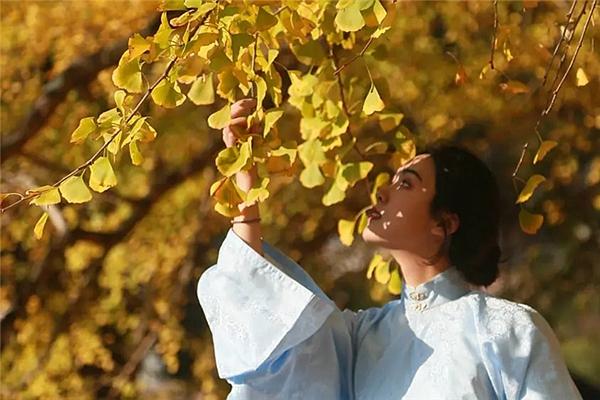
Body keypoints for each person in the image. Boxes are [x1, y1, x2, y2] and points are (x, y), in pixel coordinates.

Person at [197, 98, 582, 399]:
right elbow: (271, 351)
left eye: (407, 184)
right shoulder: (361, 339)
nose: (383, 190)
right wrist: (246, 187)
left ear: (444, 223)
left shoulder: (506, 330)